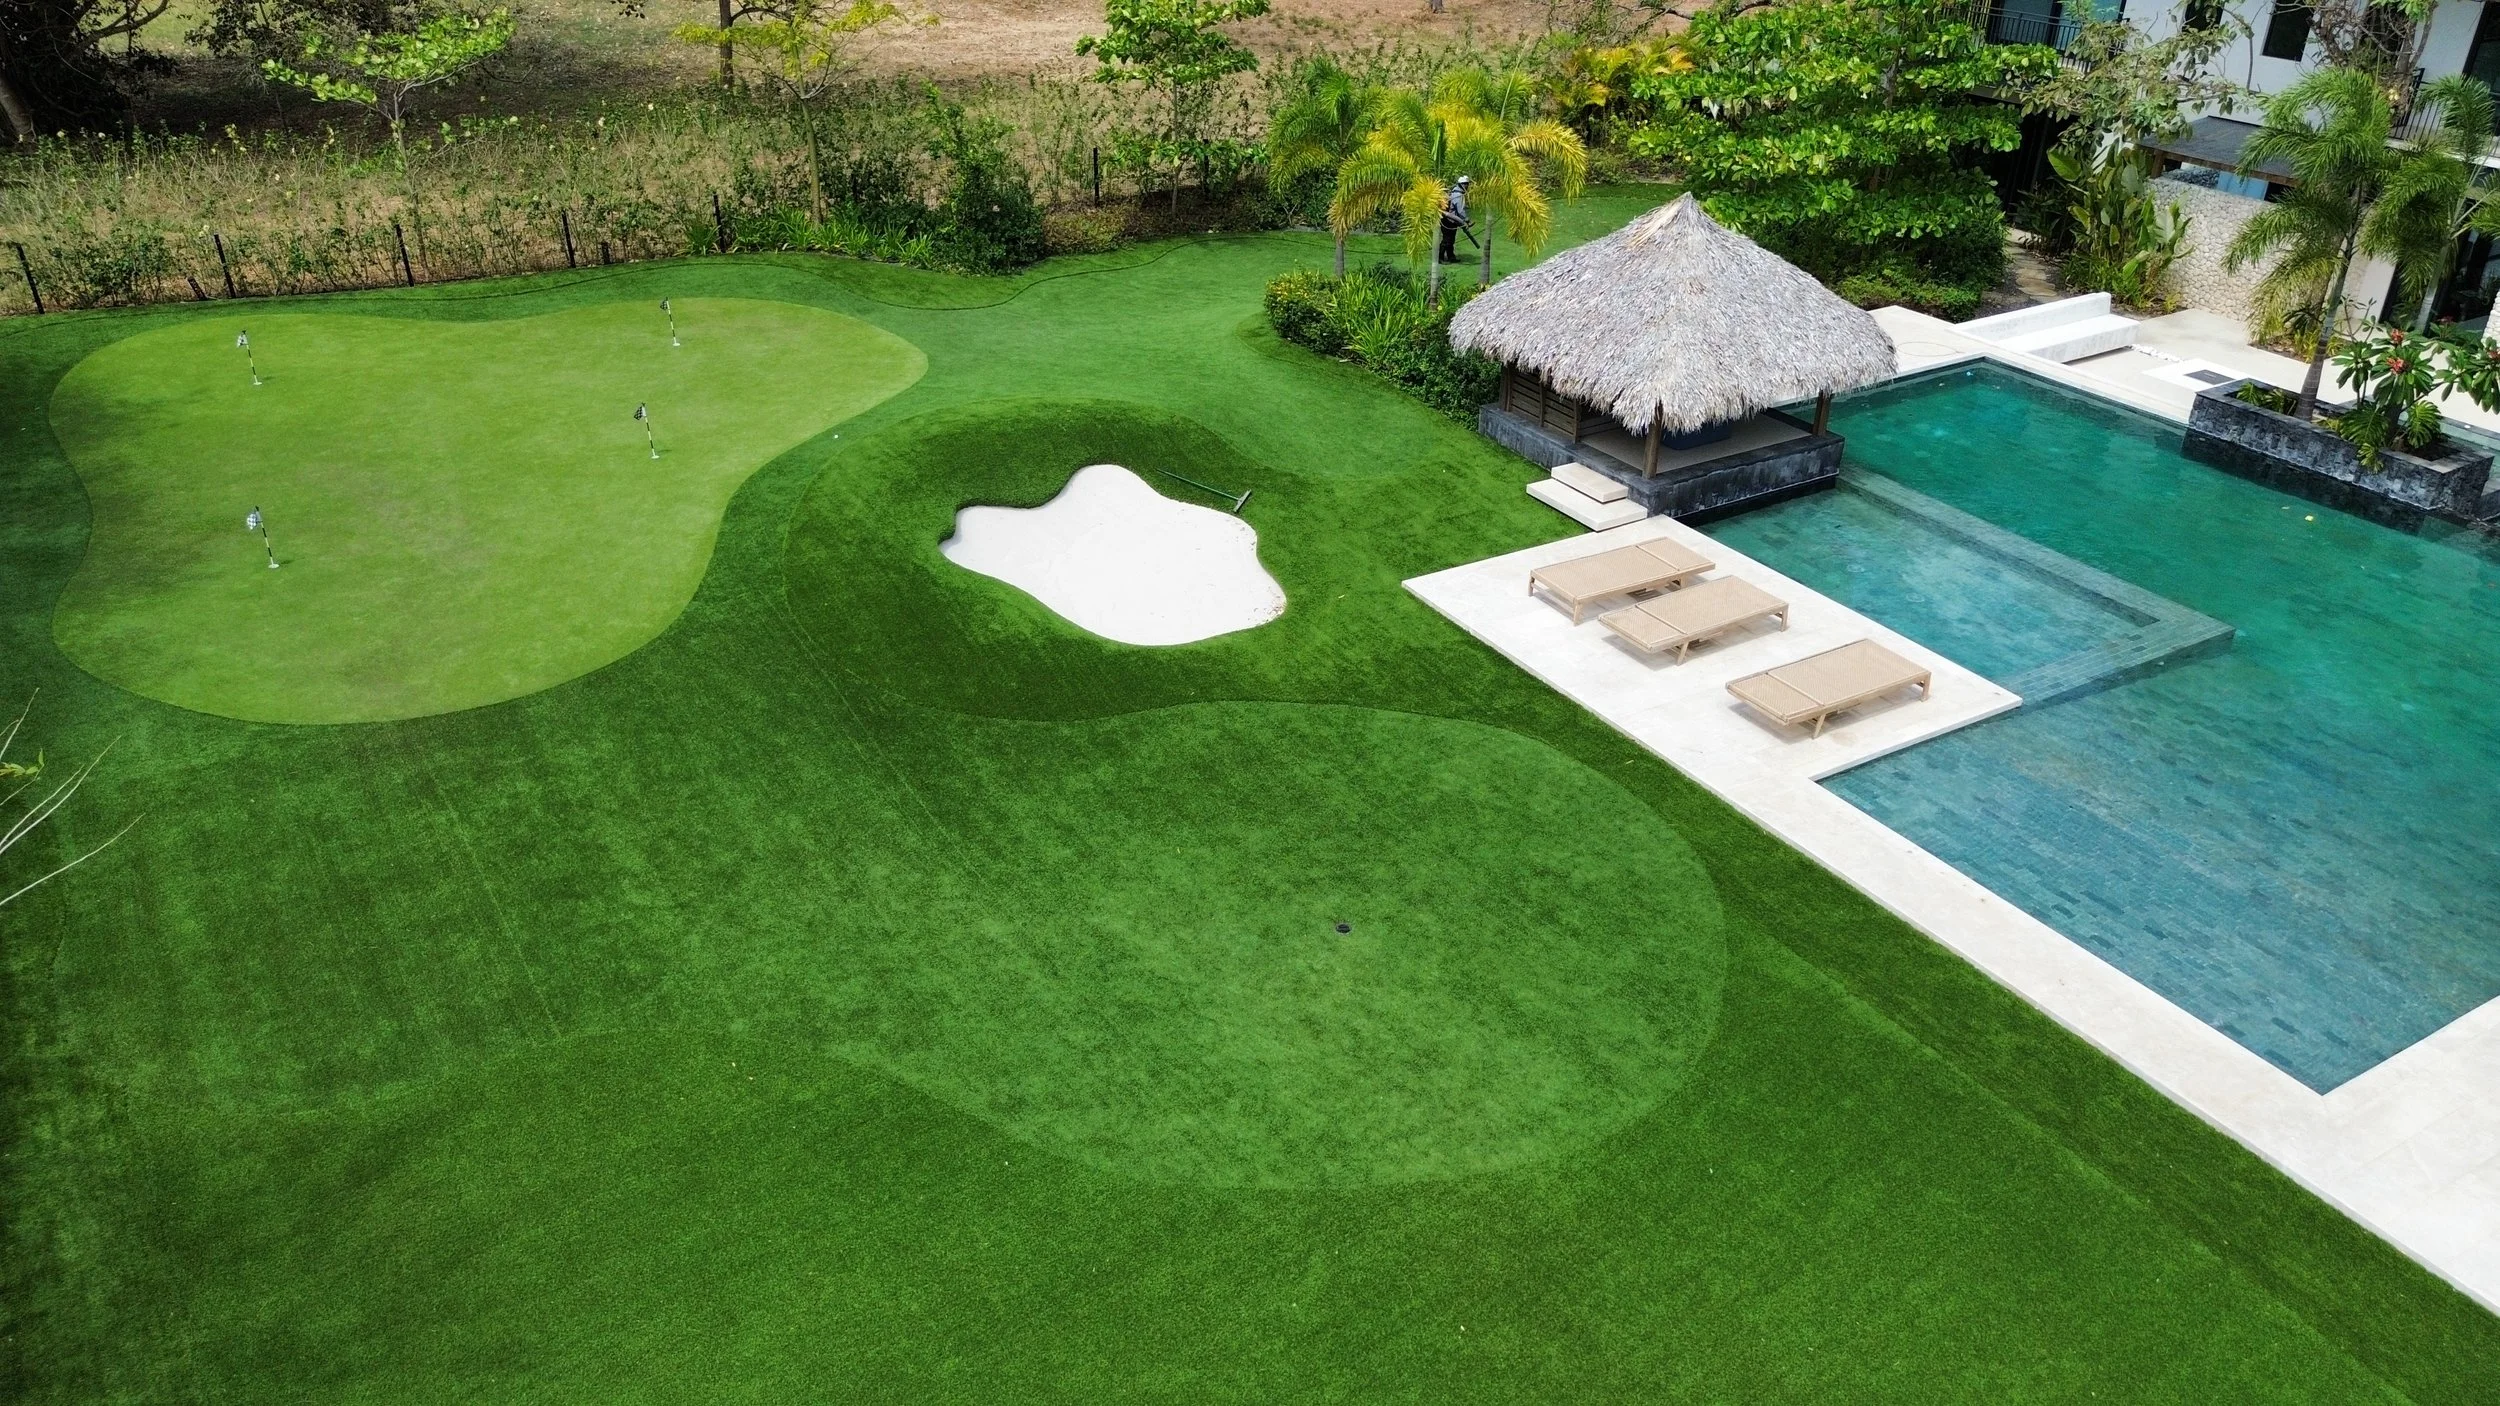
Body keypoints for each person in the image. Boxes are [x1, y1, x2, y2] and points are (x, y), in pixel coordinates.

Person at [1438, 175, 1472, 264]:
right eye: (1465, 184)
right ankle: (1440, 258)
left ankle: (1451, 257)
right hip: (1449, 221)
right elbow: (1460, 210)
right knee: (1447, 240)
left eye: (1467, 184)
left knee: (1451, 240)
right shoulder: (1458, 195)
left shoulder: (1454, 193)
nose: (1467, 186)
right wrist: (1467, 220)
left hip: (1449, 220)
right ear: (1461, 185)